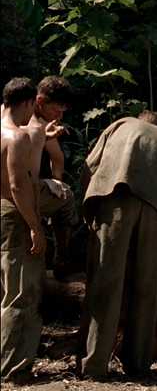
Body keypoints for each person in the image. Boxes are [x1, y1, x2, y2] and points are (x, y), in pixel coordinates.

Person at [79, 110, 157, 379]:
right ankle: (138, 365)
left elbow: (88, 167)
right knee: (146, 287)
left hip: (110, 202)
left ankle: (94, 366)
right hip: (151, 210)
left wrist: (89, 211)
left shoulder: (118, 125)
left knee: (105, 285)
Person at [1, 78, 58, 382]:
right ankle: (13, 368)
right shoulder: (17, 136)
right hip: (15, 215)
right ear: (25, 103)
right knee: (22, 293)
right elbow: (17, 185)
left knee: (5, 290)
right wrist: (35, 227)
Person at [30, 76, 79, 278]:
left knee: (61, 192)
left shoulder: (39, 120)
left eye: (62, 112)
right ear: (40, 101)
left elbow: (56, 159)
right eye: (56, 110)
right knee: (67, 198)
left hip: (26, 184)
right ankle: (61, 260)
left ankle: (59, 259)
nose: (58, 116)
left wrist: (56, 182)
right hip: (20, 188)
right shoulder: (35, 122)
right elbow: (57, 157)